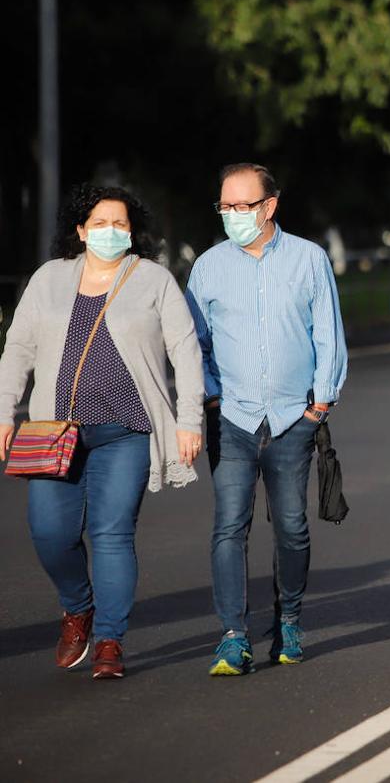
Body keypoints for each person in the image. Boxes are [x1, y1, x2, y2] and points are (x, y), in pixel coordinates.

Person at [0, 185, 204, 680]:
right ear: (79, 229)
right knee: (49, 533)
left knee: (112, 533)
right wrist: (4, 412)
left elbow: (185, 349)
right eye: (99, 223)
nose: (110, 232)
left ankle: (110, 639)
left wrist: (188, 420)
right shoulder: (49, 279)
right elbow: (18, 348)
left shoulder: (153, 280)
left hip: (126, 430)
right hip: (53, 429)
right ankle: (78, 608)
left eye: (119, 224)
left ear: (132, 232)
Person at [187, 163, 348, 676]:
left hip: (291, 418)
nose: (233, 215)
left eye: (243, 206)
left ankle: (291, 621)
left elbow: (328, 332)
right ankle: (233, 637)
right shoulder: (209, 267)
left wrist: (321, 401)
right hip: (231, 419)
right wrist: (210, 397)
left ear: (269, 206)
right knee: (228, 527)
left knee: (293, 527)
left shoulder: (308, 259)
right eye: (225, 206)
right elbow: (194, 342)